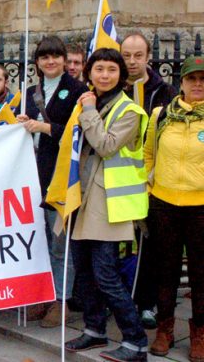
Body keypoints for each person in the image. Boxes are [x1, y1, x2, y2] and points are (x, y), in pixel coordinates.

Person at [65, 48, 149, 362]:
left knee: (106, 275)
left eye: (111, 70)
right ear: (90, 72)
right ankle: (94, 328)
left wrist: (87, 110)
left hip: (110, 204)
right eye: (99, 69)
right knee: (84, 273)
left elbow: (106, 144)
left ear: (121, 75)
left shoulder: (129, 110)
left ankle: (136, 340)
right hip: (82, 199)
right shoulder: (90, 103)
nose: (104, 75)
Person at [16, 35, 88, 327]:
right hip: (33, 175)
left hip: (59, 176)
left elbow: (77, 134)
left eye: (55, 56)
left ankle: (62, 299)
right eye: (44, 57)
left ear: (63, 59)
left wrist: (42, 127)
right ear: (37, 63)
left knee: (60, 243)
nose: (50, 61)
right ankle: (43, 296)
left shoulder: (77, 91)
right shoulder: (30, 91)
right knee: (40, 241)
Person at [144, 56, 204, 361]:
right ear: (181, 83)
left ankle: (199, 334)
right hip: (165, 204)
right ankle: (165, 330)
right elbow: (148, 154)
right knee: (164, 270)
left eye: (203, 80)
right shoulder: (161, 115)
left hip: (201, 208)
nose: (198, 85)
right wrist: (150, 187)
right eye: (192, 79)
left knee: (200, 274)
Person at [120, 31, 178, 329]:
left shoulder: (163, 91)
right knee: (118, 242)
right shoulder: (113, 86)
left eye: (137, 55)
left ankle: (147, 302)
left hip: (149, 178)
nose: (132, 61)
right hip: (117, 176)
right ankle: (120, 298)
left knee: (150, 243)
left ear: (148, 57)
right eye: (127, 55)